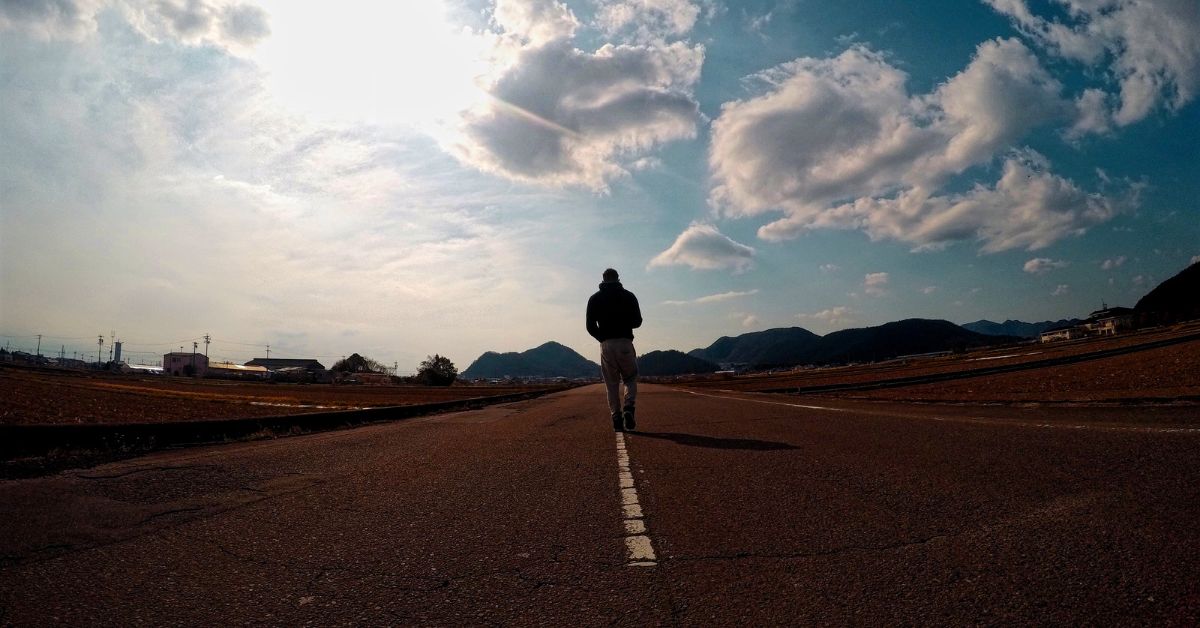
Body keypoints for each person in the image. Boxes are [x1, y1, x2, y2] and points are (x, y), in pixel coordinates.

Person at [586, 268, 642, 432]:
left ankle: (616, 418)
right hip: (625, 341)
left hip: (606, 344)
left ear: (603, 279)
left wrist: (602, 337)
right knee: (630, 378)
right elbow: (637, 322)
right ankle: (629, 408)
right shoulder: (629, 296)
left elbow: (590, 326)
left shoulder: (594, 299)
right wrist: (624, 323)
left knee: (611, 384)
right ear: (618, 278)